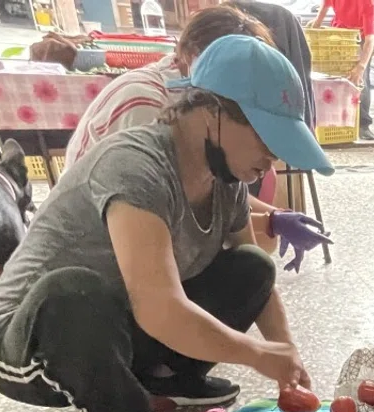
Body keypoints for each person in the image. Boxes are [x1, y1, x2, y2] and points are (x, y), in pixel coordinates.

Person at [0, 36, 333, 412]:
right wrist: (254, 354)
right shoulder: (135, 165)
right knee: (74, 290)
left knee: (252, 265)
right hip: (30, 341)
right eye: (267, 138)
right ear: (211, 111)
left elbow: (257, 285)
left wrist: (286, 356)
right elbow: (157, 306)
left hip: (121, 324)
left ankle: (170, 380)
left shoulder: (223, 176)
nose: (273, 158)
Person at [65, 5, 326, 273]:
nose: (271, 159)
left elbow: (213, 203)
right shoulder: (144, 107)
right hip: (99, 250)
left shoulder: (210, 140)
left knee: (250, 268)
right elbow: (170, 210)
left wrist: (275, 216)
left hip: (153, 223)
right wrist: (269, 221)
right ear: (192, 56)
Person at [313, 0, 374, 141]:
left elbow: (370, 39)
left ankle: (363, 124)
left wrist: (361, 66)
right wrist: (317, 23)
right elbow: (325, 5)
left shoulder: (367, 3)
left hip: (359, 38)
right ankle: (336, 121)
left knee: (360, 80)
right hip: (339, 34)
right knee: (334, 79)